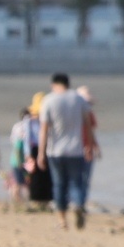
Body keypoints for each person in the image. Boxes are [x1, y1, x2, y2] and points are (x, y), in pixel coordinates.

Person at [37, 73, 97, 229]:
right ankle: (77, 205)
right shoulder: (78, 99)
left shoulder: (49, 100)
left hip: (55, 151)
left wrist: (40, 153)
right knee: (76, 183)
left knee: (59, 184)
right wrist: (89, 146)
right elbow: (88, 125)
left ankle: (62, 220)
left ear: (53, 84)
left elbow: (44, 130)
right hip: (76, 150)